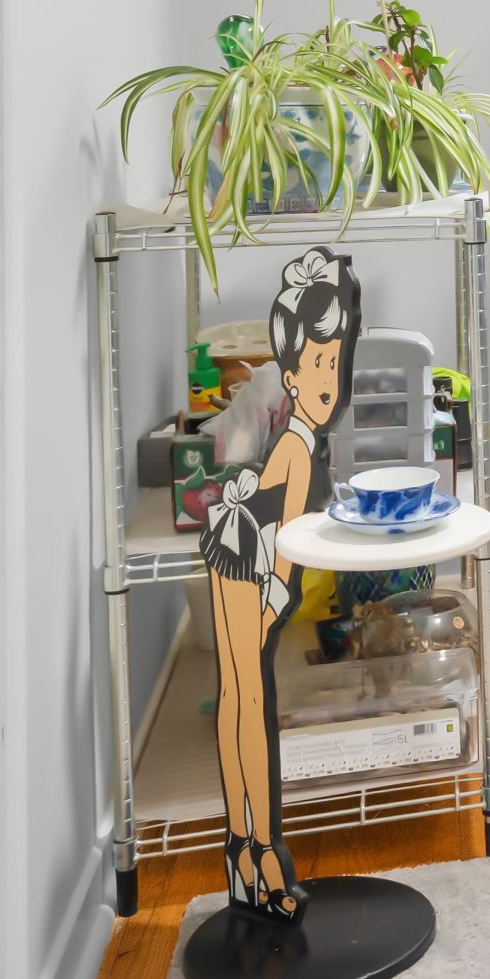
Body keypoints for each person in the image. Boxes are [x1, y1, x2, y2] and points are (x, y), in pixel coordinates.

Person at [193, 248, 357, 917]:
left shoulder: (304, 441)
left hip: (248, 554)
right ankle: (257, 848)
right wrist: (272, 604)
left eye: (334, 364)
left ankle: (248, 848)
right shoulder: (294, 444)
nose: (328, 381)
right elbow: (286, 541)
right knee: (245, 701)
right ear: (291, 375)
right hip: (244, 560)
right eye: (316, 366)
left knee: (242, 699)